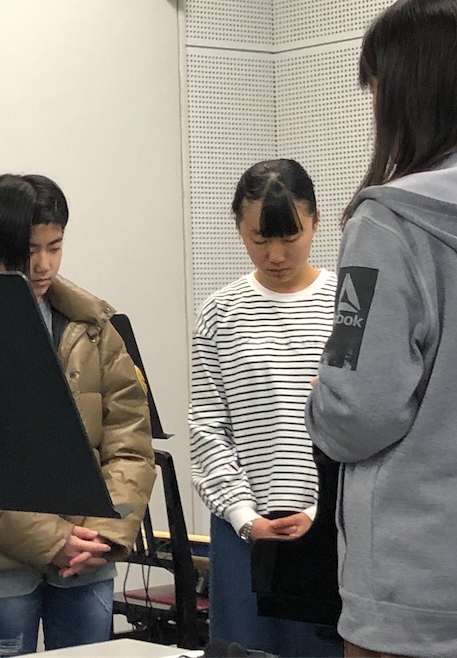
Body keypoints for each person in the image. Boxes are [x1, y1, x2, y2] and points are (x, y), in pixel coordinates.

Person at [305, 0, 457, 658]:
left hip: (420, 597)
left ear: (404, 94)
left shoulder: (389, 223)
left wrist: (322, 401)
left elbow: (357, 412)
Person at [0, 173, 155, 656]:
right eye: (29, 250)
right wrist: (52, 540)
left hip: (88, 554)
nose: (43, 265)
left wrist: (105, 534)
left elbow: (131, 443)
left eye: (55, 247)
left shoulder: (94, 327)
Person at [188, 158, 342, 657]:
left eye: (290, 237)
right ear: (238, 228)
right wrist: (244, 515)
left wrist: (321, 511)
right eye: (259, 239)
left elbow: (363, 423)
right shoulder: (220, 312)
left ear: (315, 221)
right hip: (244, 533)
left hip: (330, 530)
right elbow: (208, 429)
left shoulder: (347, 306)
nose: (275, 255)